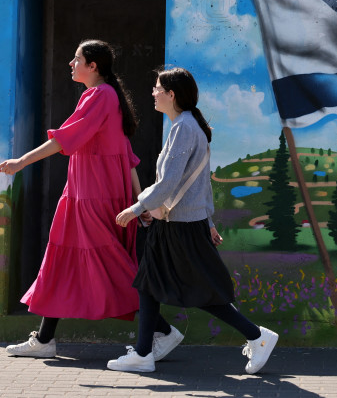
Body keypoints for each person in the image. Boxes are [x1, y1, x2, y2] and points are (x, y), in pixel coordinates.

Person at [110, 67, 278, 374]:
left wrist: (137, 208)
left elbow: (171, 181)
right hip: (177, 224)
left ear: (171, 94)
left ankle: (257, 336)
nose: (152, 93)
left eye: (157, 88)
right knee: (148, 282)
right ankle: (144, 353)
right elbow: (201, 181)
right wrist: (209, 221)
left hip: (181, 228)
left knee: (200, 291)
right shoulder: (186, 126)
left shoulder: (184, 128)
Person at [0, 39, 148, 358]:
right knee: (62, 262)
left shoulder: (100, 95)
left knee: (110, 267)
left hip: (93, 197)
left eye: (76, 58)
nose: (71, 63)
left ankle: (160, 330)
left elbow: (64, 139)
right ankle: (43, 340)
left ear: (93, 66)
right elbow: (127, 156)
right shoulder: (105, 96)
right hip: (82, 195)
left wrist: (20, 162)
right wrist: (139, 200)